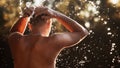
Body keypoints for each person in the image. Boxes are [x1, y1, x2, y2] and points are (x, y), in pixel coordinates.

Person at [8, 6, 89, 68]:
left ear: (29, 25)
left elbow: (14, 32)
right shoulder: (53, 41)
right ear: (49, 24)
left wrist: (25, 17)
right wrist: (56, 14)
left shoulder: (16, 40)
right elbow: (82, 32)